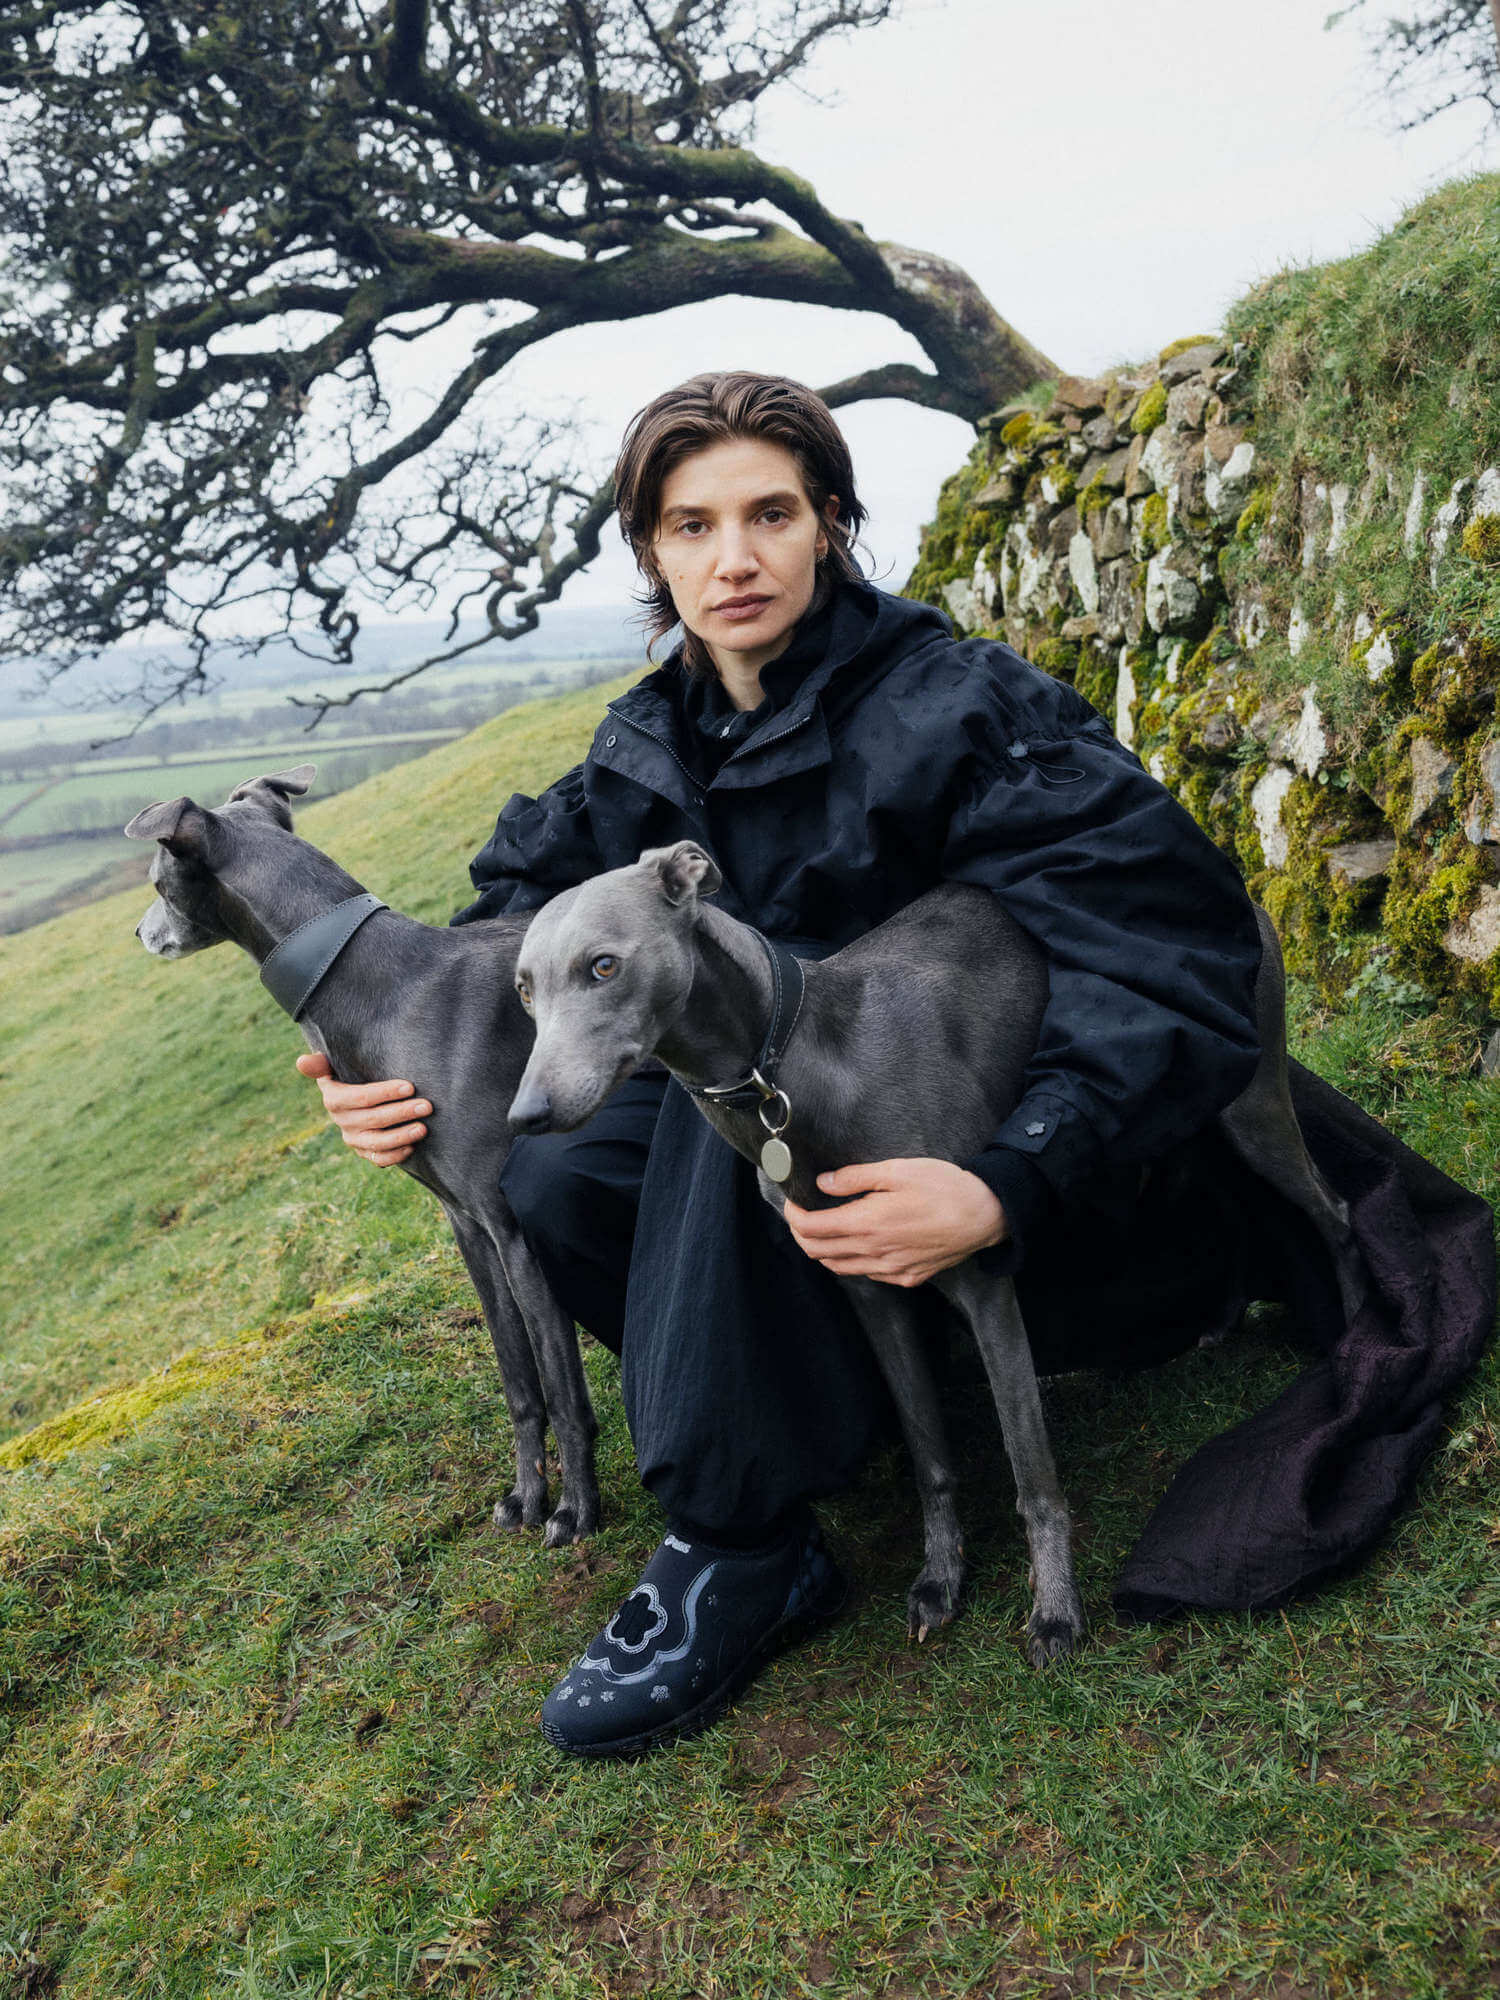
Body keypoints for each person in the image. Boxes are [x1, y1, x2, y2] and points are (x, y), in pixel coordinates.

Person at [298, 371, 1266, 1758]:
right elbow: (509, 931)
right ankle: (839, 1411)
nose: (733, 559)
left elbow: (1156, 936)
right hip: (840, 1191)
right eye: (692, 526)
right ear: (653, 553)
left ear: (831, 525)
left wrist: (1009, 1177)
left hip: (1070, 1194)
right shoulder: (643, 755)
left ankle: (739, 1540)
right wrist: (393, 1077)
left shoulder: (959, 707)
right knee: (554, 1174)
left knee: (744, 1094)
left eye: (770, 514)